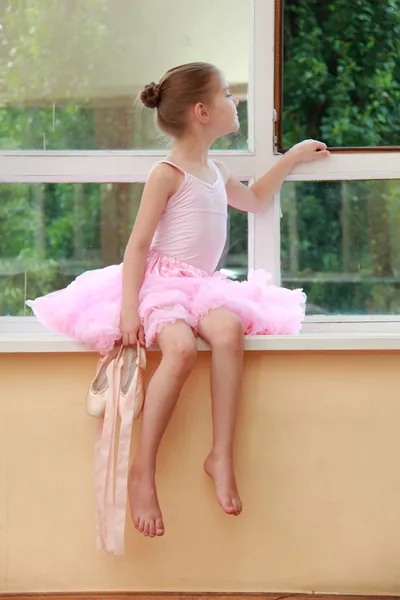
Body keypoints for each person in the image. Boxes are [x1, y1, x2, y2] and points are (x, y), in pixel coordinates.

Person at [27, 62, 329, 539]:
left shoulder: (215, 171)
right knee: (182, 349)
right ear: (202, 111)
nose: (237, 102)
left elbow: (253, 201)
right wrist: (130, 308)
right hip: (161, 283)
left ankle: (220, 456)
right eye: (229, 94)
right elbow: (138, 245)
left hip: (204, 283)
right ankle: (142, 471)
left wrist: (290, 157)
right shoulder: (166, 173)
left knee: (229, 330)